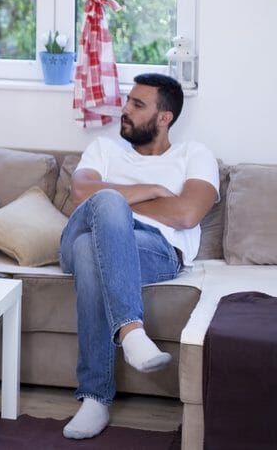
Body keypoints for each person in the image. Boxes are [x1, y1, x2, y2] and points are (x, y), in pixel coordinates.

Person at [60, 73, 219, 439]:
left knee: (90, 249)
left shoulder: (194, 155)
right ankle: (132, 333)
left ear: (164, 118)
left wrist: (117, 206)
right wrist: (150, 191)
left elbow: (186, 214)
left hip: (155, 250)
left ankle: (94, 399)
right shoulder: (104, 149)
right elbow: (82, 194)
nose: (125, 110)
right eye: (127, 101)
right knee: (105, 204)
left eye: (137, 104)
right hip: (79, 232)